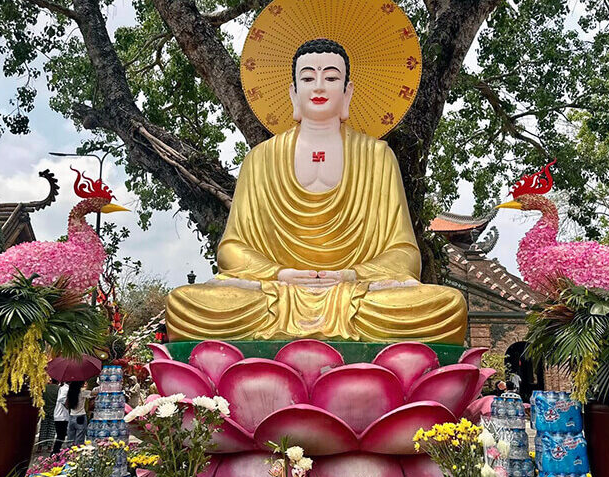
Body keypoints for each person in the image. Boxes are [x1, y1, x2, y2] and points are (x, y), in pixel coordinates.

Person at [165, 38, 468, 344]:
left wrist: (352, 275)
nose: (319, 87)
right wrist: (279, 274)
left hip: (356, 294)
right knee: (184, 304)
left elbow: (404, 255)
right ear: (294, 92)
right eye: (308, 78)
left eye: (332, 78)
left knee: (447, 307)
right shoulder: (260, 159)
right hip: (275, 293)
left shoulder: (377, 157)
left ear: (347, 92)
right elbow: (231, 250)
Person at [64, 380, 91, 446]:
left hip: (71, 416)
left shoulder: (70, 392)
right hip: (80, 417)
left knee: (70, 439)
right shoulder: (82, 392)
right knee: (79, 439)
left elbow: (66, 405)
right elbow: (94, 394)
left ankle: (69, 454)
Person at [52, 382, 70, 453]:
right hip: (61, 416)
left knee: (61, 435)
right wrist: (68, 406)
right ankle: (55, 452)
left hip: (62, 415)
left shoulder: (64, 388)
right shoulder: (65, 389)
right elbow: (62, 399)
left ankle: (56, 452)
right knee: (61, 436)